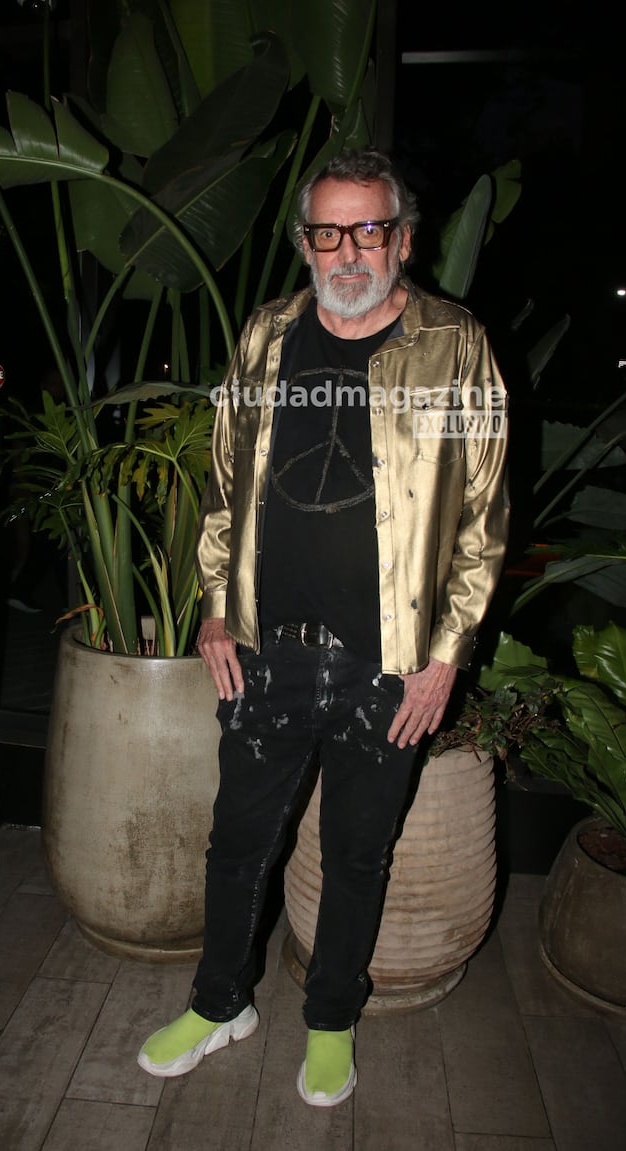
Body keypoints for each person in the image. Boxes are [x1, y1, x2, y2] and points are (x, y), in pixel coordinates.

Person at [137, 149, 509, 1106]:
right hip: (266, 652)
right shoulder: (265, 338)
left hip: (391, 664)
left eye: (369, 228)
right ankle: (221, 1002)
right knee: (236, 842)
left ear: (403, 238)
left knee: (355, 850)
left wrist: (443, 658)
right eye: (328, 231)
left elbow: (481, 519)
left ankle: (333, 1016)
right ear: (305, 241)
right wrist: (215, 611)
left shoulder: (453, 345)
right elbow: (224, 487)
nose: (349, 251)